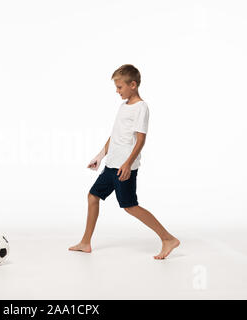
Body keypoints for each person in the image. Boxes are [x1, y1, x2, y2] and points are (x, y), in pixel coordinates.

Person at [69, 64, 180, 259]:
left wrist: (128, 163)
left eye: (120, 87)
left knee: (129, 206)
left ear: (133, 85)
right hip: (111, 164)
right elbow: (115, 136)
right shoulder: (123, 106)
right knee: (93, 196)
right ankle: (86, 242)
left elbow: (141, 139)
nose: (117, 91)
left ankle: (168, 238)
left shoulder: (141, 108)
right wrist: (99, 156)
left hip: (124, 168)